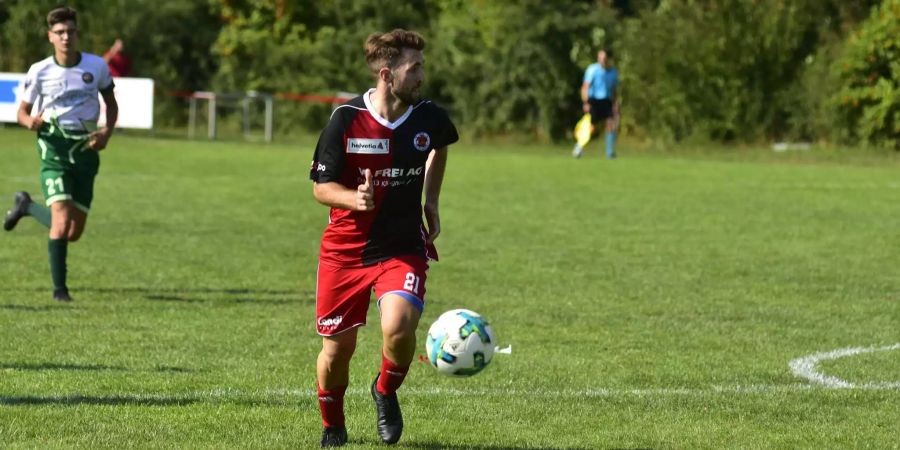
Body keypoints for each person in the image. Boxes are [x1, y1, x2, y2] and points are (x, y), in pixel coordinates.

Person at [308, 29, 458, 447]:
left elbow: (440, 146)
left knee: (398, 326)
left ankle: (385, 391)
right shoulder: (345, 119)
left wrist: (431, 199)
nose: (422, 77)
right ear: (388, 74)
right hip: (345, 252)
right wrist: (354, 198)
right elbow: (321, 187)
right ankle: (333, 424)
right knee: (337, 352)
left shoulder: (429, 117)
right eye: (415, 69)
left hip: (401, 246)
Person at [3, 6, 118, 302]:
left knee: (73, 232)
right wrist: (31, 123)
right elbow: (22, 112)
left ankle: (26, 206)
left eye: (70, 31)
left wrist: (106, 132)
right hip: (53, 147)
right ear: (50, 36)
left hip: (86, 150)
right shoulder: (39, 71)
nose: (66, 37)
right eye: (60, 32)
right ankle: (60, 291)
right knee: (60, 217)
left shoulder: (96, 67)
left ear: (77, 34)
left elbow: (111, 104)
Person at [573, 48, 619, 159]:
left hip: (606, 100)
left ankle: (610, 152)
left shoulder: (613, 72)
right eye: (600, 58)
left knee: (610, 125)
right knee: (590, 127)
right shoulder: (593, 69)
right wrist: (586, 102)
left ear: (609, 59)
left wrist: (614, 103)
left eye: (604, 58)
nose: (602, 60)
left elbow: (613, 90)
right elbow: (585, 87)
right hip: (593, 100)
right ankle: (579, 147)